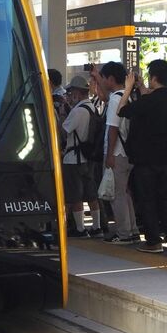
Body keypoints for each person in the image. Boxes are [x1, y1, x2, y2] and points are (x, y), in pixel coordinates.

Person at [117, 60, 167, 253]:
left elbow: (122, 110)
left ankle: (153, 241)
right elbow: (150, 100)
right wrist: (142, 87)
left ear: (153, 77)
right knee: (166, 198)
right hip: (165, 156)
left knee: (147, 198)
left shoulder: (147, 101)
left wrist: (127, 89)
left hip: (145, 157)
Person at [94, 62, 139, 244]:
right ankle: (132, 229)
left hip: (117, 153)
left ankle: (124, 233)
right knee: (125, 192)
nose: (103, 81)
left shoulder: (115, 100)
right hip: (129, 152)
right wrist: (96, 78)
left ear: (111, 79)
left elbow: (112, 128)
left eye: (104, 78)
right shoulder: (128, 97)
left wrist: (110, 154)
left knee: (116, 194)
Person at [62, 75, 103, 238]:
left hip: (74, 158)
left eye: (72, 91)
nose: (70, 94)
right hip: (89, 156)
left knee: (75, 195)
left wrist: (60, 115)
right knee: (91, 194)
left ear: (78, 92)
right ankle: (97, 227)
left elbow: (64, 131)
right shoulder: (93, 108)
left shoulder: (78, 111)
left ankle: (80, 229)